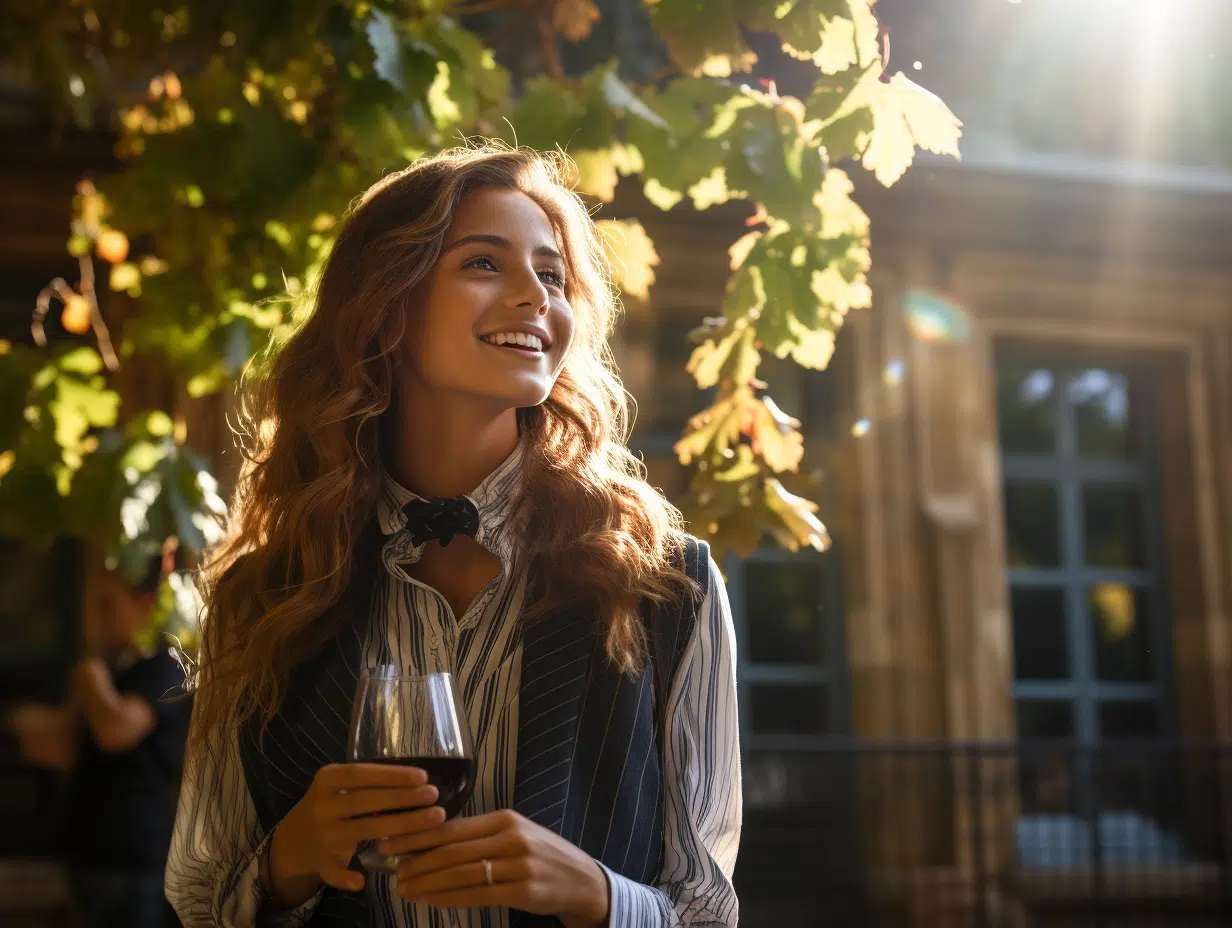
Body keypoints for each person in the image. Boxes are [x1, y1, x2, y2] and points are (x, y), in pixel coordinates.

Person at [165, 144, 742, 928]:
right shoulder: (263, 597)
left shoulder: (668, 585)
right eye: (483, 263)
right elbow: (201, 901)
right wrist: (290, 858)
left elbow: (706, 912)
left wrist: (596, 895)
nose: (535, 297)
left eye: (551, 274)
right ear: (384, 306)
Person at [9, 551, 190, 928]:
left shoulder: (166, 668)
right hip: (87, 858)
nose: (98, 619)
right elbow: (63, 748)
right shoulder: (113, 670)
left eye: (108, 606)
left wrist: (90, 675)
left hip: (134, 863)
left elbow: (116, 731)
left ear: (145, 602)